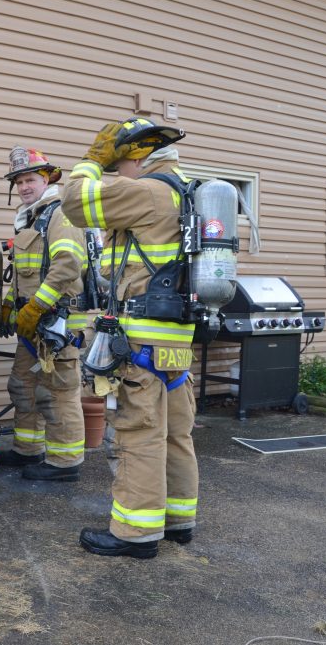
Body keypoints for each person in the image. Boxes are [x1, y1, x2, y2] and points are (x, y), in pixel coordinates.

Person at [61, 117, 197, 559]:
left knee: (139, 433)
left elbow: (75, 204)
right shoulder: (189, 191)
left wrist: (91, 162)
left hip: (141, 342)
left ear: (137, 156)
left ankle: (136, 533)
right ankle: (178, 520)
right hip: (175, 341)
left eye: (121, 163)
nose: (118, 171)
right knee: (176, 432)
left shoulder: (149, 191)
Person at [0, 146, 88, 483]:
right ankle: (28, 449)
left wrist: (36, 307)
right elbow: (24, 274)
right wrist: (10, 304)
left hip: (56, 324)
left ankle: (65, 462)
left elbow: (67, 266)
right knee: (22, 385)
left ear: (47, 178)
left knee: (58, 393)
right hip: (30, 326)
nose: (23, 187)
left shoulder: (60, 215)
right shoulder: (30, 220)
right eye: (18, 181)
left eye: (30, 179)